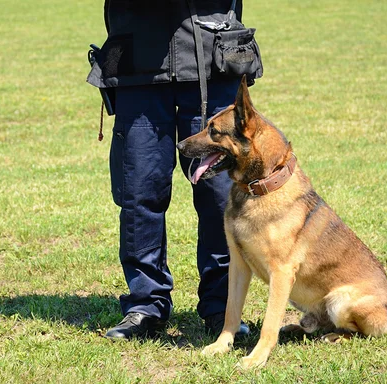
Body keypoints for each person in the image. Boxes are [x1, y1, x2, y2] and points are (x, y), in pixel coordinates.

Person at [86, 0, 261, 339]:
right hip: (138, 64)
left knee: (220, 197)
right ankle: (145, 306)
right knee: (139, 192)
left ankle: (223, 308)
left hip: (212, 58)